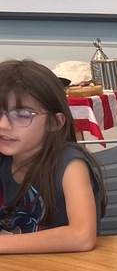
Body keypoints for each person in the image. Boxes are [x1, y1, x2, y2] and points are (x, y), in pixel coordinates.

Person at [0, 59, 106, 253]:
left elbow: (82, 236)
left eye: (22, 114)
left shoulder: (70, 164)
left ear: (55, 123)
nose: (3, 125)